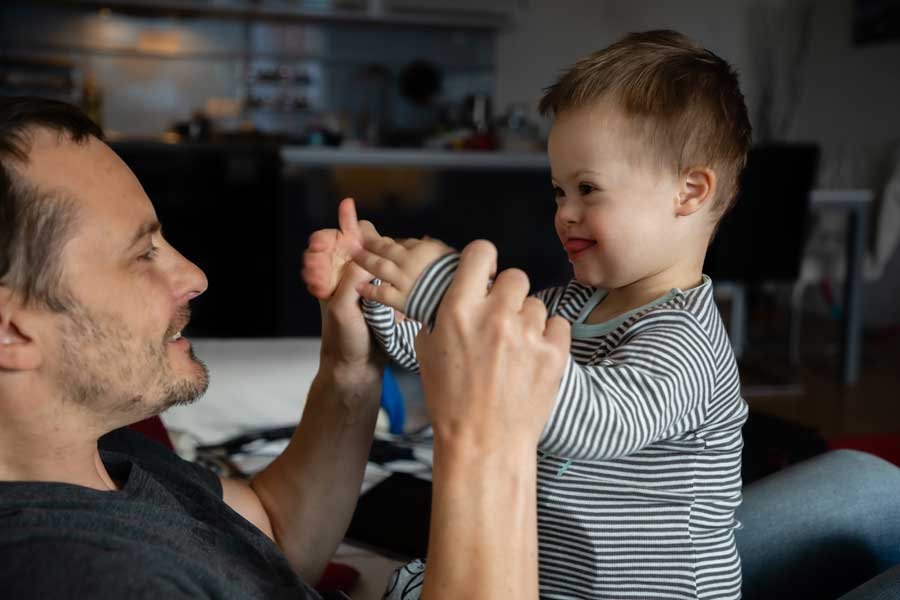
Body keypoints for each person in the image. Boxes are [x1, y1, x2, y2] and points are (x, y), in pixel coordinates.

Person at [0, 96, 570, 599]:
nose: (194, 275)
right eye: (142, 253)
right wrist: (488, 440)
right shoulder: (84, 574)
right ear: (11, 331)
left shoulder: (96, 459)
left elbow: (269, 537)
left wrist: (350, 369)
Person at [303, 30, 752, 599]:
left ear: (689, 191)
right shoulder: (565, 303)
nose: (565, 213)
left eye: (588, 189)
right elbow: (453, 351)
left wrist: (442, 289)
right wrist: (378, 289)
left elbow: (594, 420)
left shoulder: (687, 339)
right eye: (559, 191)